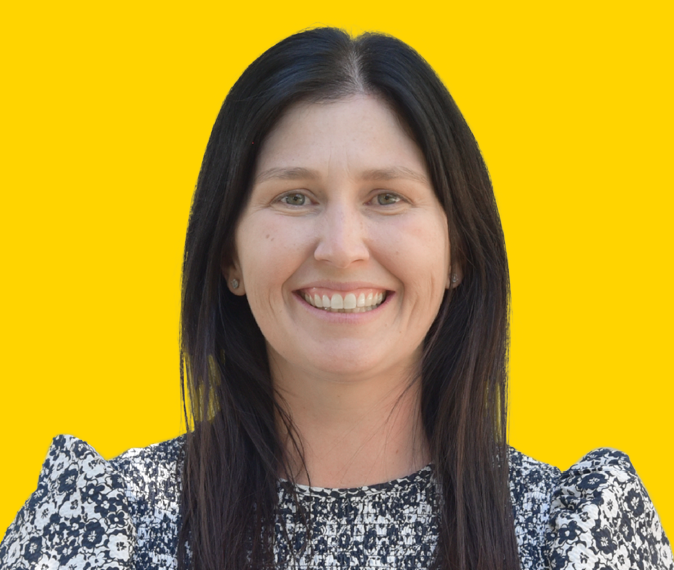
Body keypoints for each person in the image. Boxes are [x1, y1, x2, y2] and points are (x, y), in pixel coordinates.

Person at [0, 27, 671, 570]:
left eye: (388, 197)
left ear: (458, 249)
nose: (342, 247)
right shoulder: (107, 523)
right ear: (229, 254)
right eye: (295, 197)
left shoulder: (575, 535)